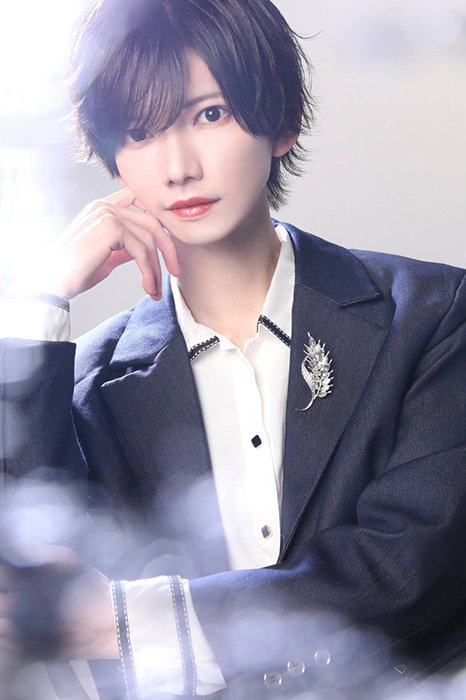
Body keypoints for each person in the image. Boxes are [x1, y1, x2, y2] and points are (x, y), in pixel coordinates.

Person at [1, 0, 466, 698]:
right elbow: (32, 577)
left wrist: (122, 622)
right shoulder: (82, 384)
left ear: (283, 120)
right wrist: (37, 300)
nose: (179, 166)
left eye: (209, 114)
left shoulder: (434, 317)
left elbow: (406, 574)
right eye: (140, 131)